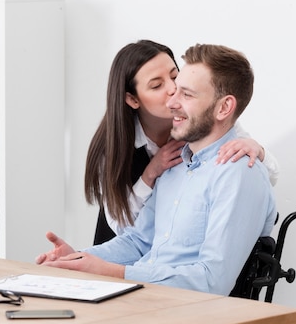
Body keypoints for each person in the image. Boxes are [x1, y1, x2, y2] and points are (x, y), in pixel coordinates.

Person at [36, 43, 277, 296]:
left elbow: (212, 281)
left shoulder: (238, 172)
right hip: (143, 297)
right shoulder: (175, 165)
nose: (171, 101)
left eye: (186, 93)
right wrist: (75, 258)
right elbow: (138, 241)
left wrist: (115, 272)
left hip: (183, 311)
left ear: (223, 108)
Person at [84, 40, 279, 246]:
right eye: (157, 85)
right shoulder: (113, 145)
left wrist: (257, 150)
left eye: (175, 76)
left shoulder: (201, 120)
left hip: (169, 254)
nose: (172, 89)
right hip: (120, 252)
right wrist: (151, 173)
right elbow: (120, 226)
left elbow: (270, 174)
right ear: (132, 99)